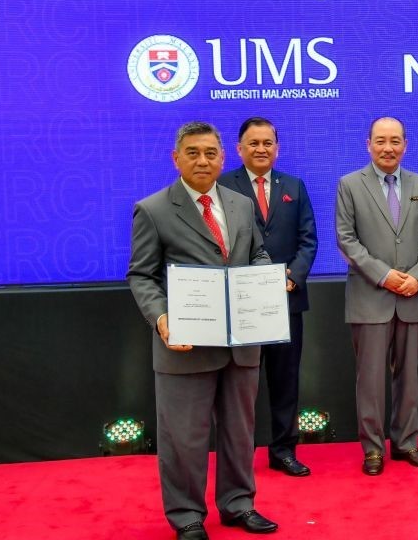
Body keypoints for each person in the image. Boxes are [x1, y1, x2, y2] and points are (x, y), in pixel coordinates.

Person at [127, 121, 279, 539]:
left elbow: (257, 253)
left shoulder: (241, 204)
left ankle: (238, 504)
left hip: (242, 342)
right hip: (186, 346)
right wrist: (162, 319)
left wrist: (266, 280)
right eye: (192, 152)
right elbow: (141, 275)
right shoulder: (153, 209)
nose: (202, 160)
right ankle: (187, 516)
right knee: (183, 439)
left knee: (240, 432)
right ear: (176, 158)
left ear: (223, 158)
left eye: (211, 153)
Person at [335, 116, 418, 475]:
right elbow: (346, 239)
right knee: (370, 380)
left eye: (395, 141)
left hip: (413, 296)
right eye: (380, 141)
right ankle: (373, 449)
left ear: (405, 145)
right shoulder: (349, 184)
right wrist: (384, 275)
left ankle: (407, 442)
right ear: (368, 144)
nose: (388, 148)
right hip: (369, 297)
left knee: (409, 378)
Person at [218, 117, 317, 477]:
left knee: (285, 380)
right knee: (239, 386)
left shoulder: (294, 186)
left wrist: (292, 277)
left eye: (268, 143)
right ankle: (238, 454)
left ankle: (283, 450)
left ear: (277, 147)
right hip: (240, 304)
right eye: (254, 143)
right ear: (239, 148)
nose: (261, 149)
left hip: (286, 302)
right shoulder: (222, 186)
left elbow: (308, 240)